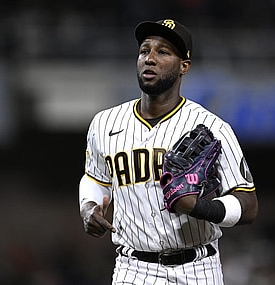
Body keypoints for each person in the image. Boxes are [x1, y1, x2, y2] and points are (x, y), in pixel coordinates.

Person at [79, 19, 258, 285]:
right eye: (144, 51)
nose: (149, 58)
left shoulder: (212, 127)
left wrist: (199, 207)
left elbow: (248, 205)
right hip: (133, 269)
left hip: (197, 268)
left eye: (163, 52)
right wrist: (88, 207)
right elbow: (95, 178)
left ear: (184, 66)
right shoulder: (104, 124)